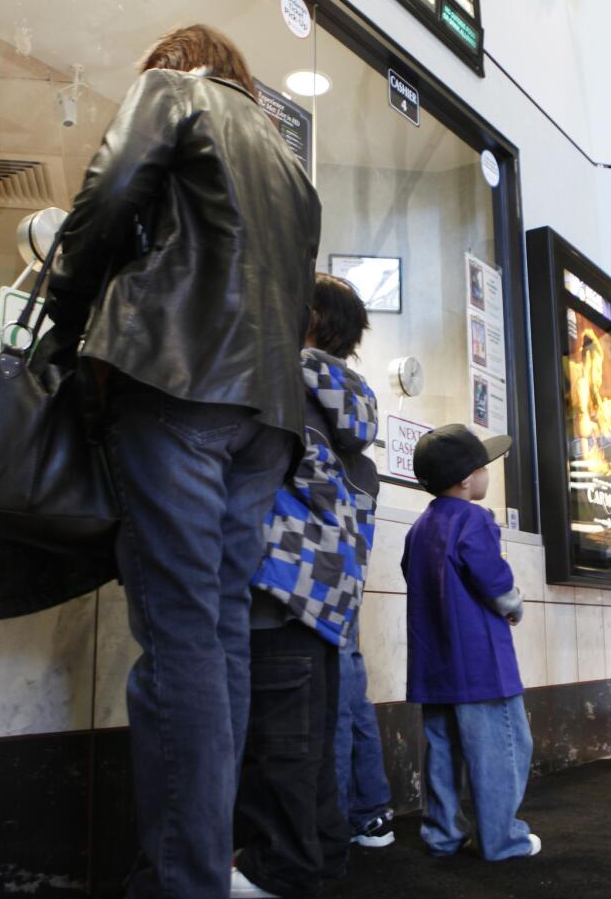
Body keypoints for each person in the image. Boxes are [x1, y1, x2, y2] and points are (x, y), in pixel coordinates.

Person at [47, 25, 321, 898]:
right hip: (267, 417)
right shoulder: (293, 168)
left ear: (172, 59)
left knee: (179, 641)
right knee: (219, 637)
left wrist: (63, 317)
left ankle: (183, 880)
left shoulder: (173, 91)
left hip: (174, 381)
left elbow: (105, 197)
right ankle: (207, 865)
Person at [231, 274, 379, 899]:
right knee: (315, 744)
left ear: (309, 317)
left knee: (278, 749)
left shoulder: (282, 386)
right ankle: (320, 857)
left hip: (278, 590)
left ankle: (279, 872)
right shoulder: (352, 407)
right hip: (330, 602)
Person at [404, 425, 540, 861]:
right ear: (467, 479)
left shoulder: (419, 527)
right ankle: (504, 840)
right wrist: (512, 604)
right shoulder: (474, 518)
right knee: (503, 749)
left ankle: (443, 835)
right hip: (481, 665)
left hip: (433, 663)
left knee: (442, 751)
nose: (487, 475)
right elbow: (490, 575)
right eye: (485, 468)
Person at [334, 621, 396, 848]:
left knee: (335, 706)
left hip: (311, 598)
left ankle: (333, 825)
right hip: (342, 594)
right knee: (354, 703)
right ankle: (369, 817)